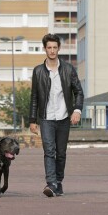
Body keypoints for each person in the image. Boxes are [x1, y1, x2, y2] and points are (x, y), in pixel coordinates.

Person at [29, 33, 84, 197]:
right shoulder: (38, 71)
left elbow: (79, 92)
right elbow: (34, 97)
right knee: (49, 151)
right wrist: (33, 120)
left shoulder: (68, 69)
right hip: (46, 118)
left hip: (64, 117)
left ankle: (58, 182)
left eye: (54, 47)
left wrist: (77, 110)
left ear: (58, 48)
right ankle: (51, 183)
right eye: (49, 48)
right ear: (45, 49)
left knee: (61, 153)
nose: (52, 51)